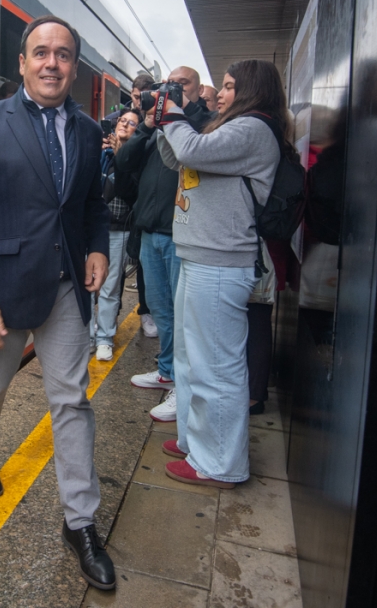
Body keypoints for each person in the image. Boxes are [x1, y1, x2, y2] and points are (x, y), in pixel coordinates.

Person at [0, 15, 115, 591]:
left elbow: (91, 203)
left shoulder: (91, 133)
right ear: (21, 63)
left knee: (70, 398)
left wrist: (98, 248)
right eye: (40, 52)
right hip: (4, 287)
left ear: (74, 66)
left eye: (63, 55)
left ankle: (80, 521)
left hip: (67, 283)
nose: (51, 63)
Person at [153, 59, 288, 488]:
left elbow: (191, 150)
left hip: (221, 260)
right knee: (193, 361)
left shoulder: (252, 129)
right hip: (202, 255)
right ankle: (198, 442)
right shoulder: (234, 127)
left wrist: (173, 112)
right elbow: (179, 159)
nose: (222, 94)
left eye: (230, 87)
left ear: (251, 90)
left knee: (217, 367)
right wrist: (163, 121)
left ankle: (221, 464)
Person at [115, 66, 212, 422]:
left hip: (181, 235)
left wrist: (178, 112)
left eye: (180, 85)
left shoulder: (204, 122)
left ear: (198, 90)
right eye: (167, 85)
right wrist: (145, 125)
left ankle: (181, 386)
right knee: (161, 310)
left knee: (183, 315)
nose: (171, 91)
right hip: (150, 233)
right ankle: (168, 370)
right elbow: (123, 162)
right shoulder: (155, 123)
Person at [89, 108, 142, 361]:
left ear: (137, 131)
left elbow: (128, 191)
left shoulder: (137, 158)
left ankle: (104, 339)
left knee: (109, 288)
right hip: (90, 228)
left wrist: (121, 156)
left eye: (132, 123)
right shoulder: (101, 153)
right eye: (122, 120)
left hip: (119, 228)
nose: (124, 125)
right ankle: (88, 335)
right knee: (86, 285)